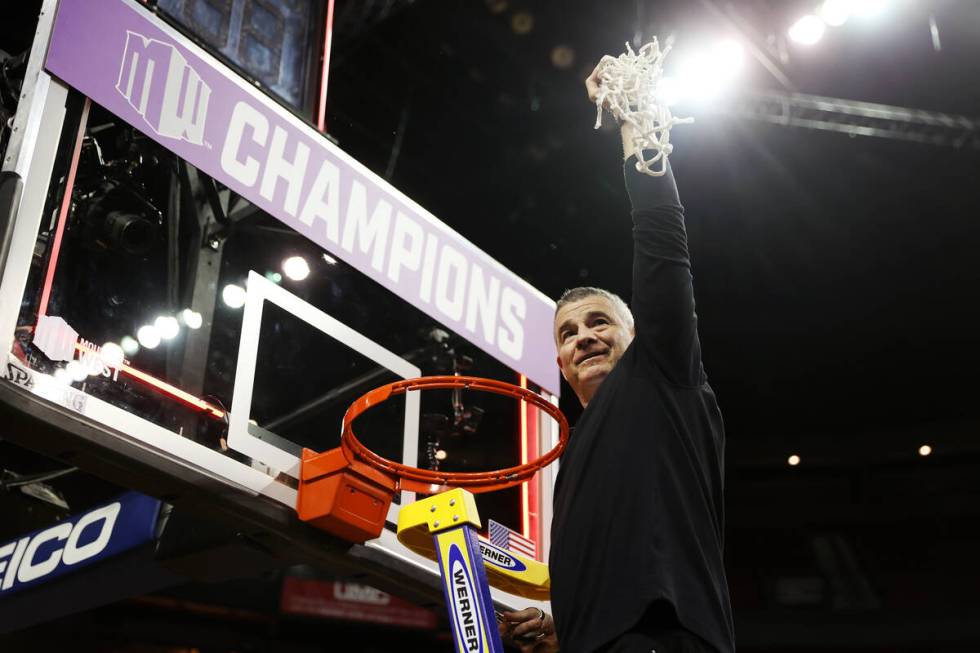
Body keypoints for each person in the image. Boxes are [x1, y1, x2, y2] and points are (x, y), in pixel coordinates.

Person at [498, 60, 735, 653]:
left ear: (639, 335)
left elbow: (662, 241)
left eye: (600, 321)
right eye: (568, 332)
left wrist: (633, 118)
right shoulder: (577, 455)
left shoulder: (662, 373)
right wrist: (568, 633)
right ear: (558, 362)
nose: (582, 336)